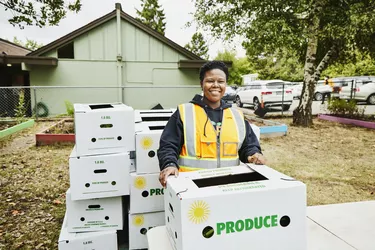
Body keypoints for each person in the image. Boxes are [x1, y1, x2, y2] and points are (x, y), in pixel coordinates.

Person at [157, 61, 266, 187]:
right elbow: (168, 145)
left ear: (225, 84)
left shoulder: (236, 115)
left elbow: (248, 146)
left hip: (229, 185)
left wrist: (254, 155)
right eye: (210, 81)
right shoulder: (185, 112)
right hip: (192, 187)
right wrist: (169, 164)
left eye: (220, 81)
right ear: (201, 84)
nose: (215, 85)